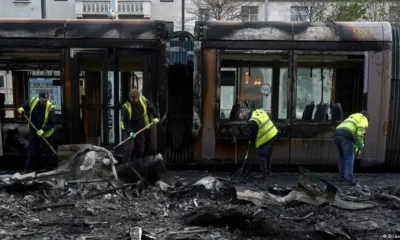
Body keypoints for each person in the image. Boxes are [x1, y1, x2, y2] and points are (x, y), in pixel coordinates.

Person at [18, 91, 57, 173]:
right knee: (32, 150)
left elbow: (51, 122)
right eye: (43, 100)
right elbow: (26, 104)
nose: (45, 102)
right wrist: (22, 107)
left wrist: (43, 130)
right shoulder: (33, 101)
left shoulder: (50, 107)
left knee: (47, 151)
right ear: (39, 98)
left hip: (46, 133)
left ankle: (49, 168)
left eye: (46, 100)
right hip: (34, 130)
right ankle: (28, 169)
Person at [120, 88, 159, 163]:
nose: (133, 100)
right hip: (128, 129)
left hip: (140, 128)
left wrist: (155, 116)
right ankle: (124, 167)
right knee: (128, 149)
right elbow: (125, 122)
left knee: (141, 149)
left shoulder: (144, 100)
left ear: (138, 97)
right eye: (131, 98)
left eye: (135, 98)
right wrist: (130, 132)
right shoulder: (126, 107)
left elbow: (151, 107)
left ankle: (136, 164)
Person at [333, 111, 369, 185]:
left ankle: (341, 177)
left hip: (336, 133)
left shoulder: (351, 117)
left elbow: (352, 139)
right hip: (346, 134)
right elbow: (360, 131)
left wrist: (355, 148)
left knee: (342, 156)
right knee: (349, 158)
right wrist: (360, 143)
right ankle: (349, 179)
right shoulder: (363, 118)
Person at [241, 107, 278, 179]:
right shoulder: (258, 111)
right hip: (273, 134)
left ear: (247, 114)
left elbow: (253, 134)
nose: (244, 118)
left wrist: (251, 142)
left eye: (244, 117)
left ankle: (264, 174)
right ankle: (268, 172)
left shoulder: (253, 121)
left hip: (266, 137)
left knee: (262, 155)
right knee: (268, 156)